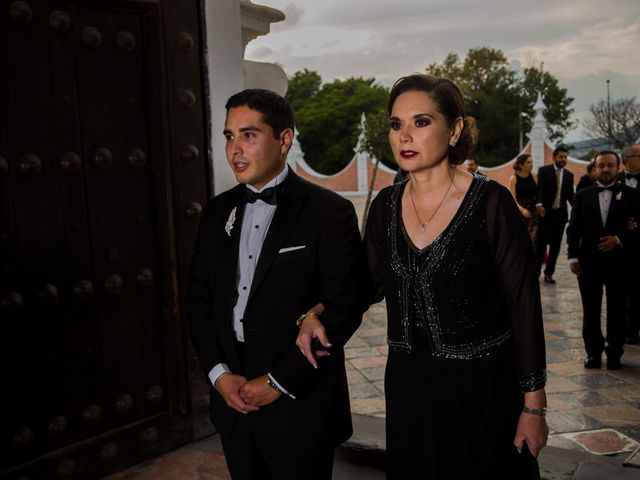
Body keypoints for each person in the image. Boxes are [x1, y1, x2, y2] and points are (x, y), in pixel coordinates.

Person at [298, 74, 548, 479]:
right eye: (396, 125)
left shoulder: (491, 203)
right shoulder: (384, 206)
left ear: (456, 129)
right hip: (410, 389)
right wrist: (319, 310)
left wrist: (533, 406)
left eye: (421, 122)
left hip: (483, 390)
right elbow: (366, 284)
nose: (405, 137)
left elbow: (523, 305)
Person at [186, 89, 364, 480]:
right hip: (233, 401)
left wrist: (279, 381)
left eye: (248, 135)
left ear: (284, 140)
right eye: (229, 136)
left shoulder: (329, 211)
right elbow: (198, 300)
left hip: (300, 403)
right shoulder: (216, 212)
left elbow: (343, 304)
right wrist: (219, 374)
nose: (235, 149)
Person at [566, 150, 640, 370]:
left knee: (617, 309)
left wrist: (618, 238)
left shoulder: (632, 195)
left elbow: (637, 228)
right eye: (601, 166)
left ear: (618, 167)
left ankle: (615, 353)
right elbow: (573, 229)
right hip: (588, 263)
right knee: (590, 309)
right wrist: (572, 256)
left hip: (619, 263)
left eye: (610, 165)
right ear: (595, 168)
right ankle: (593, 353)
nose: (606, 169)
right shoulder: (582, 195)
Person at [535, 146, 574, 283]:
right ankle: (536, 272)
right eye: (561, 157)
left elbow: (570, 196)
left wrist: (578, 208)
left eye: (565, 157)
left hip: (560, 215)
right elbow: (540, 188)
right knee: (540, 244)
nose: (563, 159)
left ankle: (549, 273)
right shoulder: (544, 171)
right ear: (554, 157)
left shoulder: (569, 175)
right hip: (545, 213)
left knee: (555, 246)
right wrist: (539, 204)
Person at [618, 144, 640, 344]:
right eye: (638, 156)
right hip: (618, 246)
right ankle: (619, 328)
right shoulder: (613, 182)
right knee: (619, 289)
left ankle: (634, 327)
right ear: (626, 159)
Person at [509, 153, 538, 246]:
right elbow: (512, 198)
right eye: (528, 162)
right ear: (521, 165)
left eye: (532, 162)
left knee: (534, 238)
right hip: (520, 211)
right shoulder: (514, 178)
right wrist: (522, 210)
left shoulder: (534, 175)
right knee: (522, 238)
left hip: (534, 211)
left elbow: (538, 193)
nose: (531, 164)